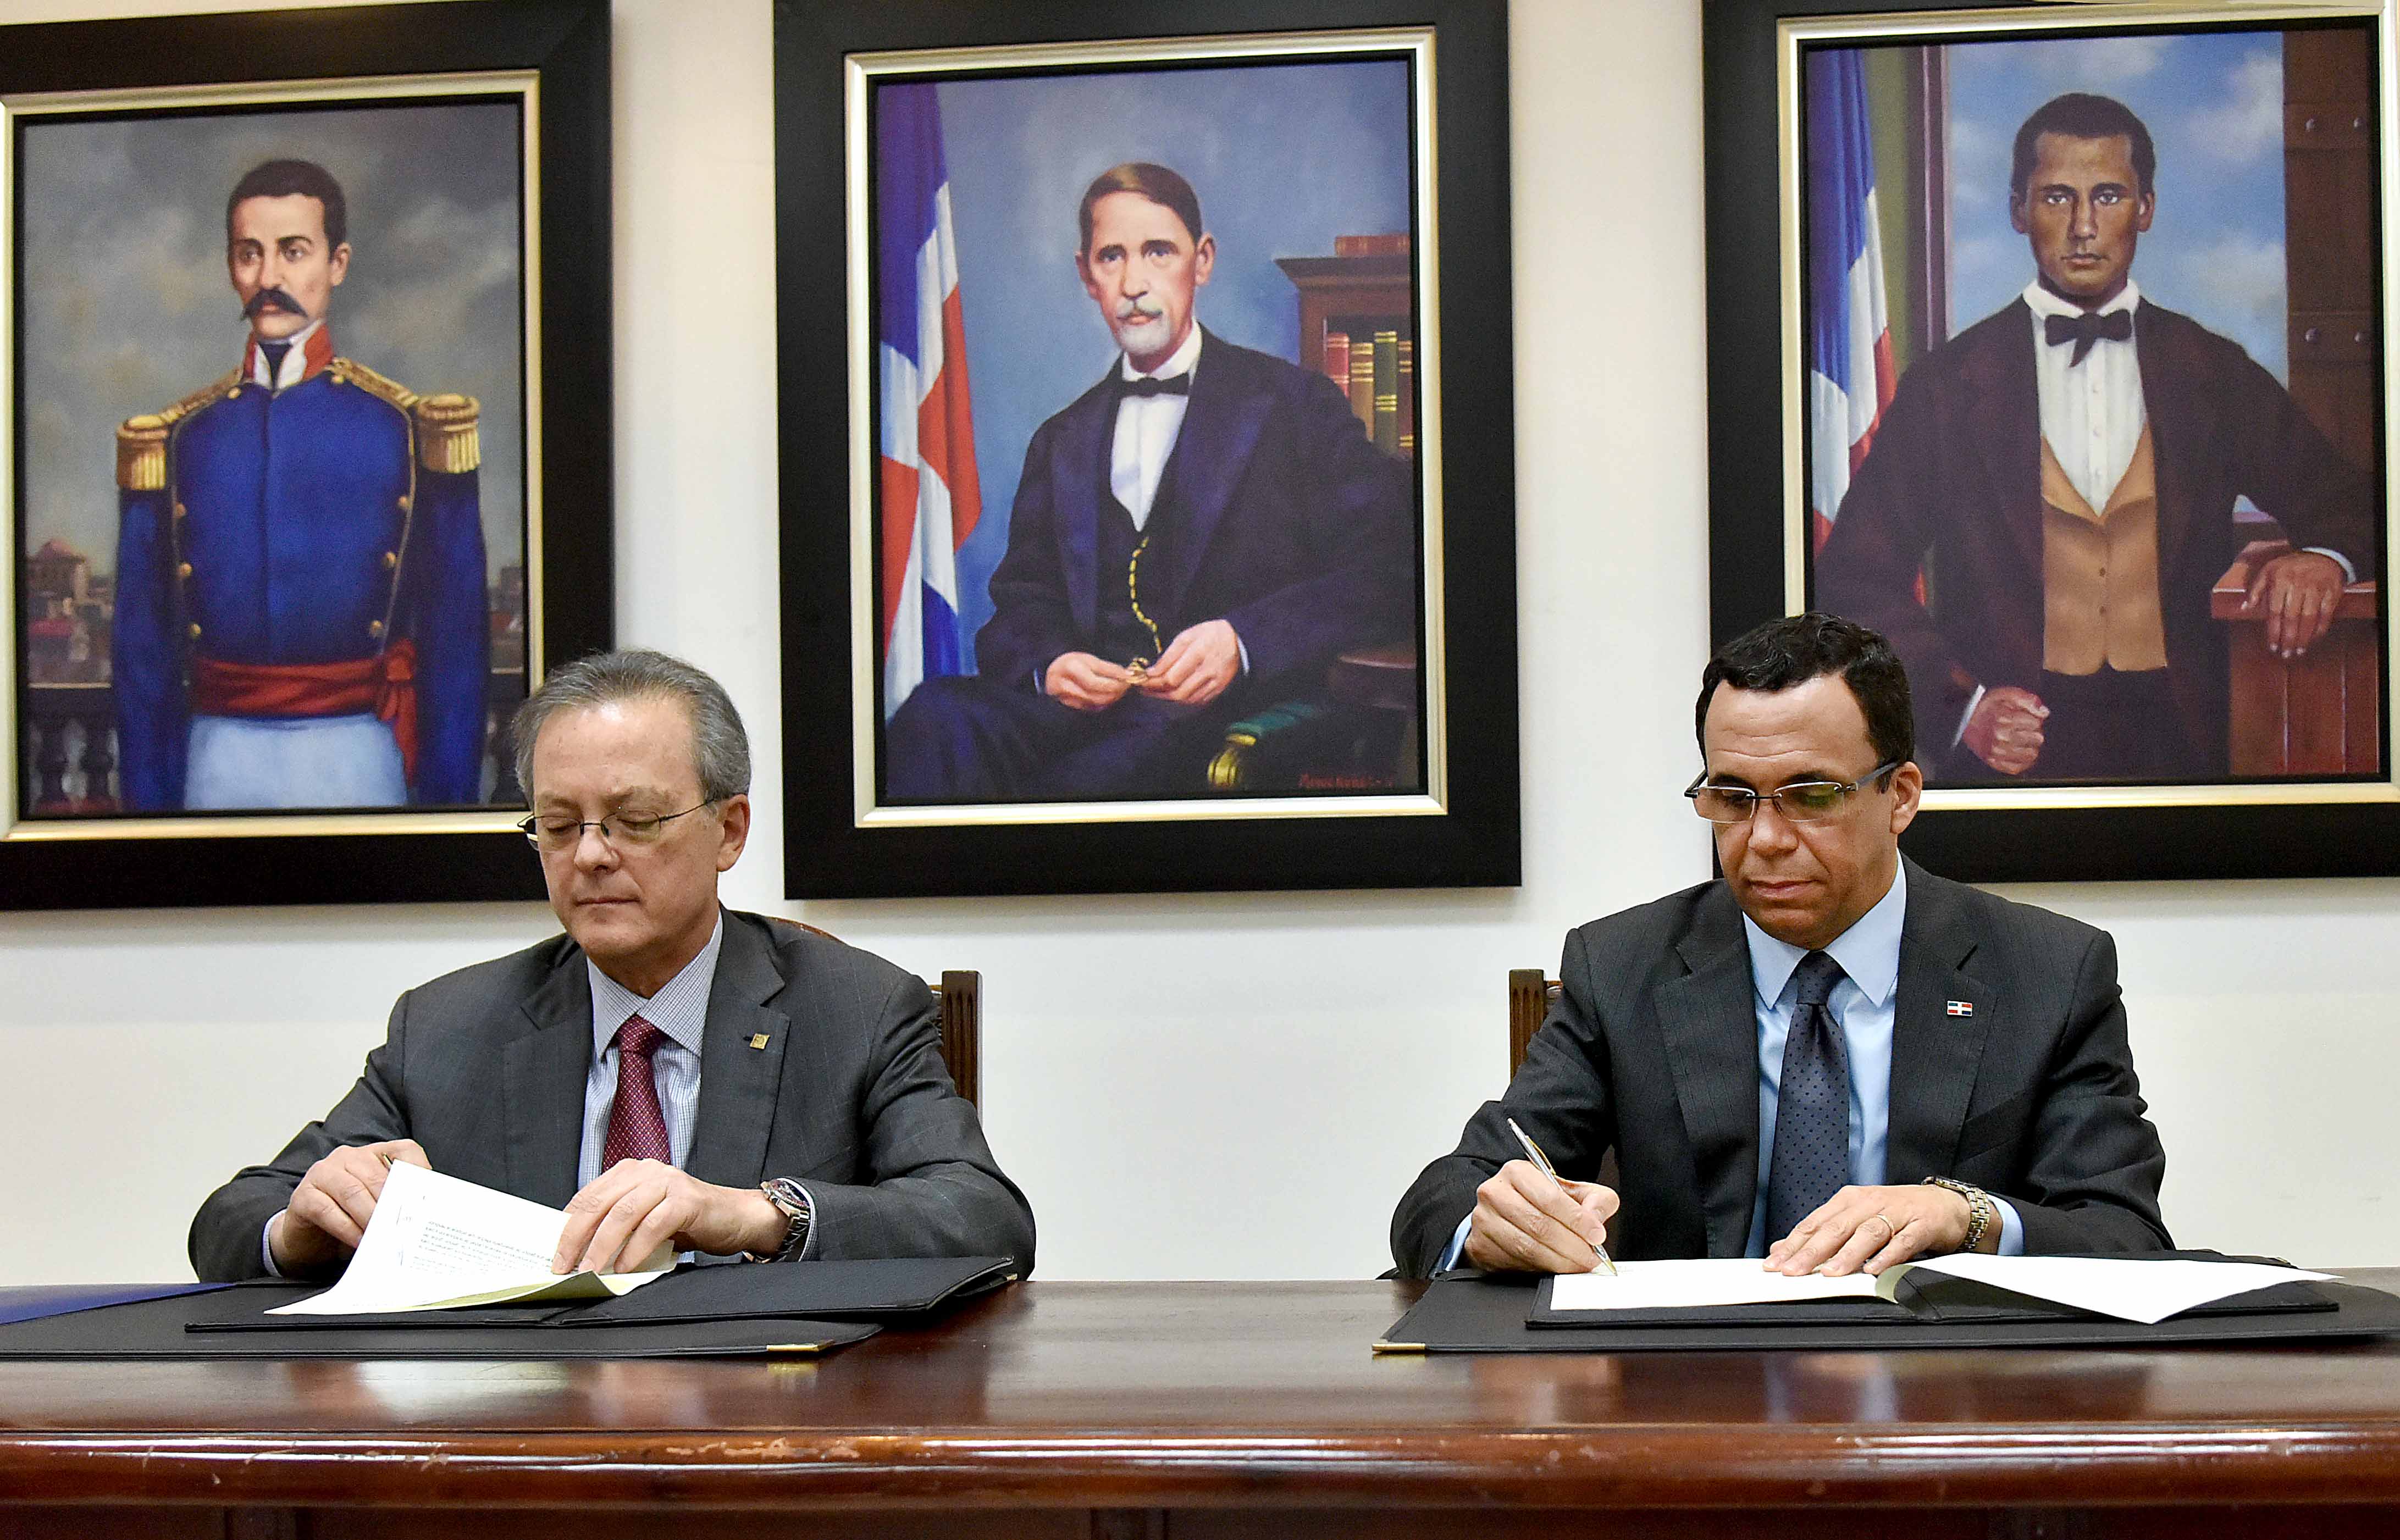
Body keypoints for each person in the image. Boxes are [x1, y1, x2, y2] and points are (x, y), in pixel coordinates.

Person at [190, 649, 1036, 1281]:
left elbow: (984, 1219)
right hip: (518, 1454)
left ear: (730, 829)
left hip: (763, 1446)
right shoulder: (449, 1025)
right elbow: (228, 1221)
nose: (591, 855)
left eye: (634, 820)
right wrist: (305, 1223)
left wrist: (751, 1213)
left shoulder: (857, 1008)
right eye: (560, 825)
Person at [1391, 613, 2170, 1278]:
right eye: (1731, 797)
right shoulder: (1623, 965)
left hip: (1942, 1406)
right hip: (1689, 1407)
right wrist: (1492, 1224)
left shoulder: (2045, 973)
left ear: (1898, 796)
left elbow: (2123, 1237)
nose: (1763, 839)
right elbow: (1446, 1197)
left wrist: (1963, 1215)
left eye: (1810, 796)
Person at [1816, 93, 2374, 784]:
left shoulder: (2211, 370)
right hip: (2012, 753)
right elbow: (1853, 578)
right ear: (2019, 210)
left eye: (2107, 196)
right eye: (2057, 198)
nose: (2083, 226)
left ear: (2145, 208)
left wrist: (2323, 558)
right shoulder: (1948, 386)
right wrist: (1961, 705)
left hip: (2189, 738)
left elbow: (2355, 501)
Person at [884, 161, 1415, 801]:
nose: (1134, 282)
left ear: (1203, 259)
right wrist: (1051, 665)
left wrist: (1244, 641)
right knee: (933, 717)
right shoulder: (1061, 439)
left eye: (1157, 251)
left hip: (1216, 721)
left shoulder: (1293, 404)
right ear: (1087, 275)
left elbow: (1391, 568)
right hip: (1081, 717)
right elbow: (1021, 607)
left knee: (1081, 793)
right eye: (1113, 257)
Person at [113, 158, 489, 812]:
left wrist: (448, 807)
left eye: (293, 253)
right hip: (214, 760)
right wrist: (148, 811)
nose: (269, 279)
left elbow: (456, 641)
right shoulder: (178, 438)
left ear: (337, 264)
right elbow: (143, 652)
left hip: (361, 756)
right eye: (249, 255)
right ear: (231, 267)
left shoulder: (406, 427)